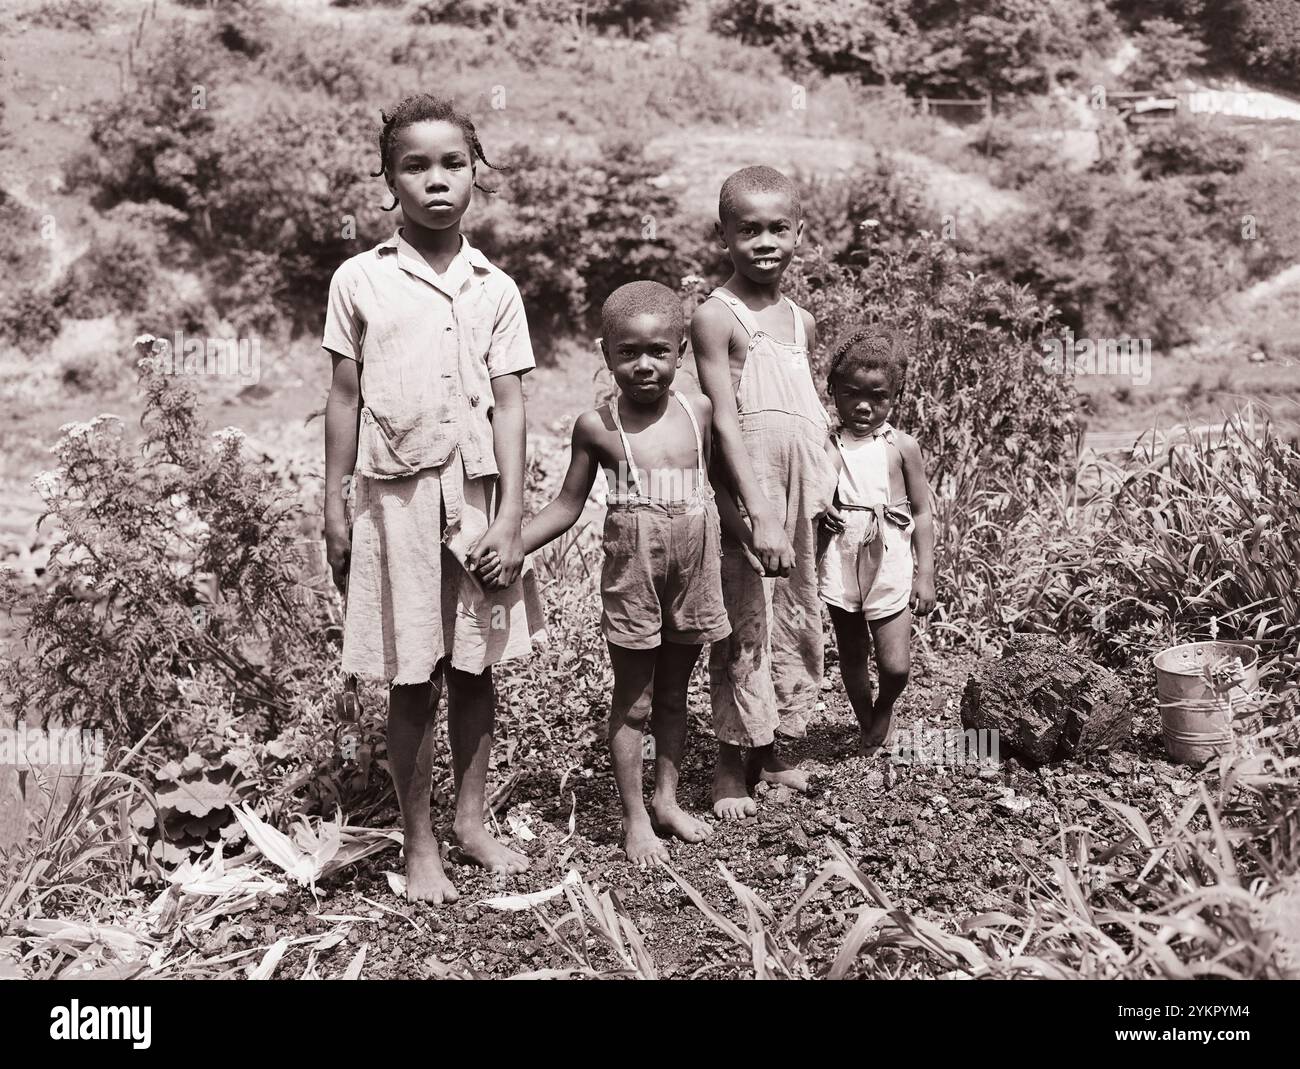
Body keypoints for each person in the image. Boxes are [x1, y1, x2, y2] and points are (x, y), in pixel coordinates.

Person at [322, 94, 544, 903]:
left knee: (478, 668)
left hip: (479, 501)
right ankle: (420, 847)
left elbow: (514, 403)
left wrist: (513, 517)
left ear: (475, 175)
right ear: (389, 180)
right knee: (411, 674)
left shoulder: (497, 287)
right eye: (415, 166)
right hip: (396, 504)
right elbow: (343, 397)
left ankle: (471, 820)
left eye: (453, 163)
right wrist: (333, 505)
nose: (437, 180)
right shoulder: (361, 280)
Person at [514, 281, 729, 866]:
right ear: (605, 353)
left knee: (675, 695)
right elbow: (566, 505)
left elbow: (721, 487)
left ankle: (666, 801)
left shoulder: (699, 410)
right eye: (628, 353)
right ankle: (635, 819)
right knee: (633, 701)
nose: (644, 366)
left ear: (680, 352)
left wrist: (760, 535)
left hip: (694, 563)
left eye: (659, 351)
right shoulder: (597, 426)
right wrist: (514, 544)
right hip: (635, 569)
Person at [692, 166, 838, 820]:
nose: (765, 241)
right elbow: (725, 419)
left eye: (778, 227)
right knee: (743, 624)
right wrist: (758, 516)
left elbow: (808, 412)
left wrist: (829, 485)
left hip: (803, 501)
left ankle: (780, 747)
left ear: (799, 232)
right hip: (752, 504)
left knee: (800, 621)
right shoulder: (715, 317)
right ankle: (730, 757)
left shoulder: (801, 322)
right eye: (748, 229)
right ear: (725, 235)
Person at [817, 328, 935, 756]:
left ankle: (885, 707)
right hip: (842, 558)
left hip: (890, 560)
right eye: (851, 394)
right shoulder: (829, 445)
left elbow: (921, 512)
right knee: (851, 651)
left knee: (896, 665)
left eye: (878, 397)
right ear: (834, 393)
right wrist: (822, 508)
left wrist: (926, 574)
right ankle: (866, 720)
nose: (864, 406)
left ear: (894, 398)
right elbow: (819, 490)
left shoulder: (902, 446)